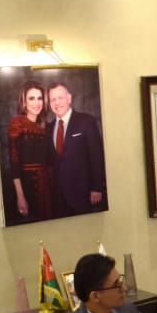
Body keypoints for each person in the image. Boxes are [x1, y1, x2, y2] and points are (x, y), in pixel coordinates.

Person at [46, 81, 106, 215]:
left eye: (60, 97)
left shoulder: (86, 121)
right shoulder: (48, 129)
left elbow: (96, 157)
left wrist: (97, 188)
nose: (57, 102)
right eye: (53, 99)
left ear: (69, 98)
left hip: (84, 194)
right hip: (58, 197)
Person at [7, 80, 54, 221]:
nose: (36, 103)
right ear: (24, 102)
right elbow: (14, 163)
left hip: (46, 185)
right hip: (26, 186)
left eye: (39, 98)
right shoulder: (17, 124)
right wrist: (20, 196)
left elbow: (51, 160)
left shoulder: (45, 126)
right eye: (31, 98)